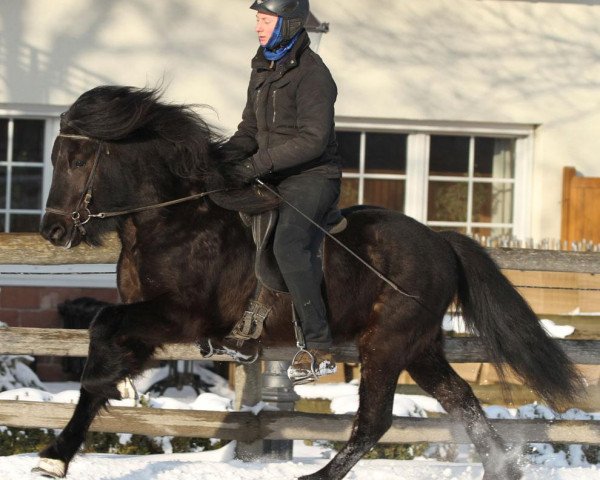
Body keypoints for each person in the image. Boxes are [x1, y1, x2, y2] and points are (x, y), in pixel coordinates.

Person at [226, 0, 342, 385]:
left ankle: (320, 345)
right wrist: (219, 162)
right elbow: (248, 129)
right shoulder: (263, 65)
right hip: (273, 172)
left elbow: (313, 140)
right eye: (258, 19)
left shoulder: (313, 74)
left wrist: (256, 165)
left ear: (288, 23)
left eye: (265, 19)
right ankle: (244, 323)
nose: (258, 26)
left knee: (289, 245)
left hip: (312, 176)